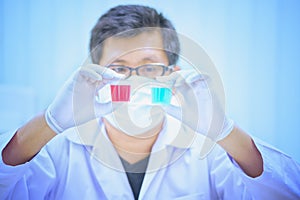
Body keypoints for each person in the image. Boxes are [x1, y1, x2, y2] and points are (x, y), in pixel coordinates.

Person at [0, 4, 299, 200]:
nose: (134, 81)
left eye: (149, 66)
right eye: (118, 68)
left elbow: (288, 192)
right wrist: (49, 123)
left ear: (173, 75)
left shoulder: (207, 151)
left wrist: (224, 131)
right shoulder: (58, 150)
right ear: (91, 75)